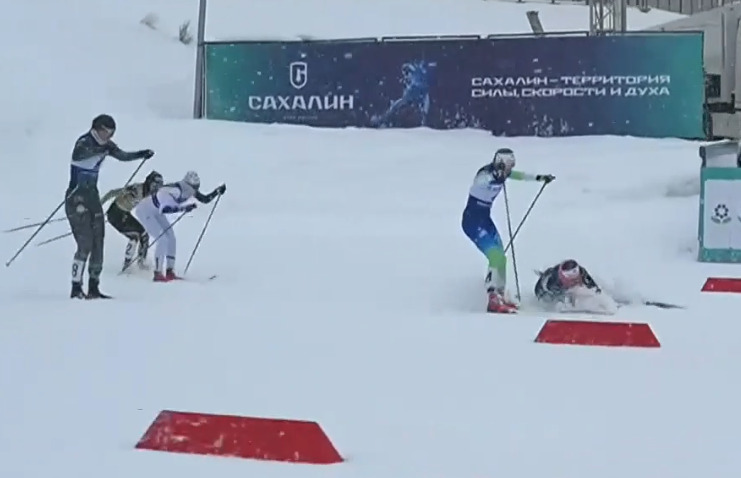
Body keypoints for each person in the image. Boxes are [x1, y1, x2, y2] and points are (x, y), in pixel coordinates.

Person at [66, 114, 154, 299]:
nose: (109, 136)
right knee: (85, 242)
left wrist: (141, 154)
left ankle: (94, 286)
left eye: (112, 133)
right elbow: (80, 154)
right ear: (97, 129)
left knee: (98, 241)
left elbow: (122, 155)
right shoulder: (84, 142)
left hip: (92, 196)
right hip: (77, 197)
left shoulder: (106, 145)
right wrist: (104, 149)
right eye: (106, 132)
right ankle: (76, 287)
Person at [461, 147, 554, 314]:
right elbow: (479, 183)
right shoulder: (485, 174)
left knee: (501, 259)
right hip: (472, 221)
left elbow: (519, 176)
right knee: (495, 255)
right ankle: (493, 298)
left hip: (485, 219)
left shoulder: (503, 174)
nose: (510, 170)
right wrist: (496, 179)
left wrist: (539, 178)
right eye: (508, 165)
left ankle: (500, 294)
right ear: (500, 164)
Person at [133, 170, 226, 282]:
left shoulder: (188, 190)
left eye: (196, 187)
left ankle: (170, 271)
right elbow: (166, 209)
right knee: (162, 239)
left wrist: (217, 191)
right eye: (193, 187)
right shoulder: (175, 191)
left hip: (157, 212)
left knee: (171, 237)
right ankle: (157, 273)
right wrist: (183, 208)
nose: (194, 191)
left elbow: (204, 199)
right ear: (187, 184)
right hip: (145, 211)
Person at [101, 171, 164, 272]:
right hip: (116, 214)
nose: (155, 190)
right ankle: (127, 265)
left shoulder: (148, 193)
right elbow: (112, 192)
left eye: (158, 187)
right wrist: (99, 205)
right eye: (154, 186)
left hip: (125, 213)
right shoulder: (136, 189)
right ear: (149, 183)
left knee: (144, 235)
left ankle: (141, 262)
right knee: (134, 236)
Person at [534, 259, 601, 306]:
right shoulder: (552, 282)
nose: (575, 282)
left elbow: (595, 289)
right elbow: (540, 294)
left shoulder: (582, 272)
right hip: (546, 290)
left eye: (577, 279)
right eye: (572, 280)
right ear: (563, 279)